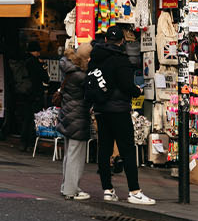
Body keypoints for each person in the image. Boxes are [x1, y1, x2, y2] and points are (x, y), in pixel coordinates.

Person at [89, 24, 155, 205]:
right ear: (122, 41)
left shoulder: (94, 58)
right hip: (118, 109)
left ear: (105, 40)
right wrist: (136, 90)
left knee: (104, 149)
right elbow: (127, 85)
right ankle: (134, 191)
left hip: (101, 108)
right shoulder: (121, 59)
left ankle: (107, 190)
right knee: (127, 149)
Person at [57, 41, 93, 200]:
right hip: (78, 117)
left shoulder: (69, 69)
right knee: (75, 155)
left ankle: (67, 186)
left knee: (69, 153)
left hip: (67, 115)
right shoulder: (81, 75)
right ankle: (71, 190)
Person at [17, 40, 50, 152]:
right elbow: (45, 78)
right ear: (35, 51)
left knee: (26, 118)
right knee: (35, 119)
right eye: (38, 51)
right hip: (35, 94)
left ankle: (22, 142)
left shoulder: (23, 61)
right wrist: (43, 66)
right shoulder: (36, 63)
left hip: (24, 93)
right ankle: (31, 143)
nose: (39, 53)